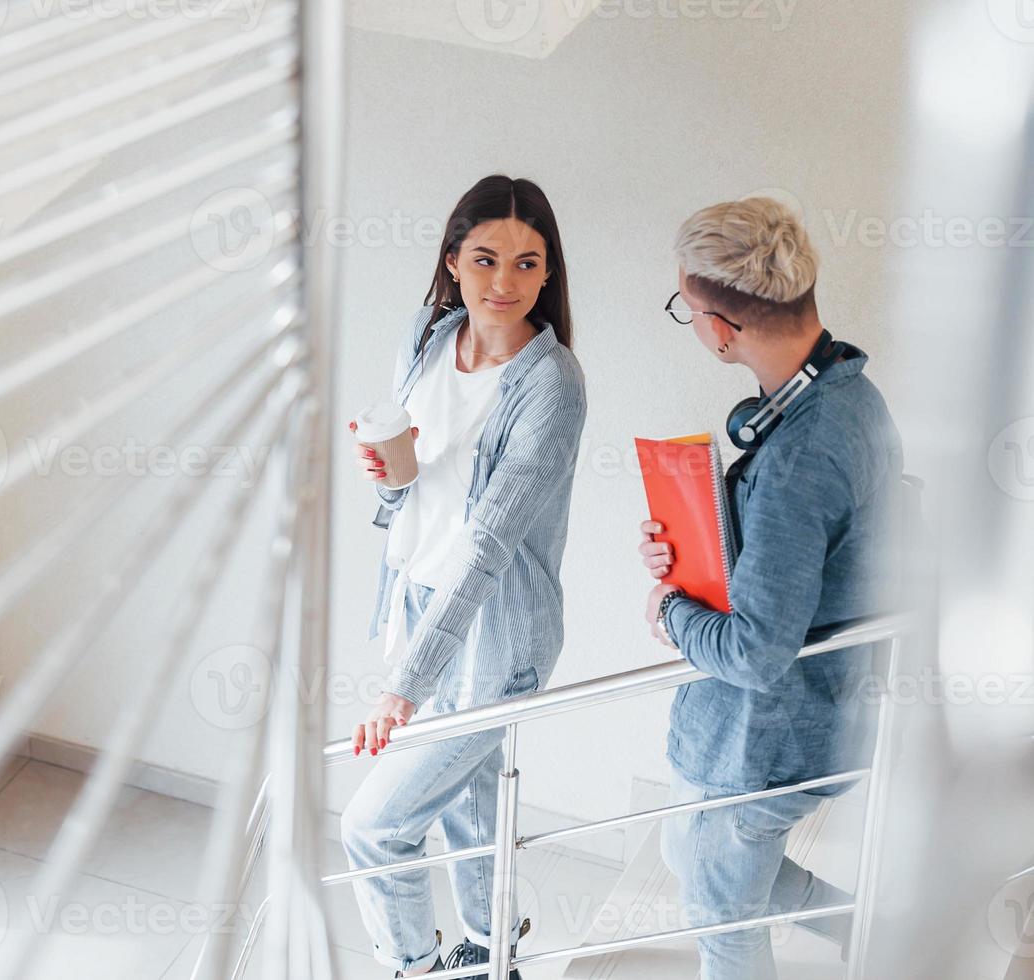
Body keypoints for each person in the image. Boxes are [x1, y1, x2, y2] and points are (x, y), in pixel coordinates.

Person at [639, 197, 904, 979]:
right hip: (813, 715)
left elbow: (755, 653)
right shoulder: (849, 395)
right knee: (683, 847)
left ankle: (853, 924)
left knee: (721, 919)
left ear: (721, 327)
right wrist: (690, 554)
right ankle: (855, 925)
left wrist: (670, 609)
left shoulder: (801, 455)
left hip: (773, 737)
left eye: (688, 311)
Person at [339, 174, 587, 978]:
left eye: (527, 263)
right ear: (452, 262)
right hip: (419, 599)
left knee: (376, 826)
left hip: (493, 633)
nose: (504, 283)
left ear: (548, 274)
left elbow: (487, 546)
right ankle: (493, 955)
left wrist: (404, 686)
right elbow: (412, 491)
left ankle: (418, 968)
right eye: (485, 259)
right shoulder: (428, 335)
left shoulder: (551, 386)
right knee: (473, 809)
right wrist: (386, 472)